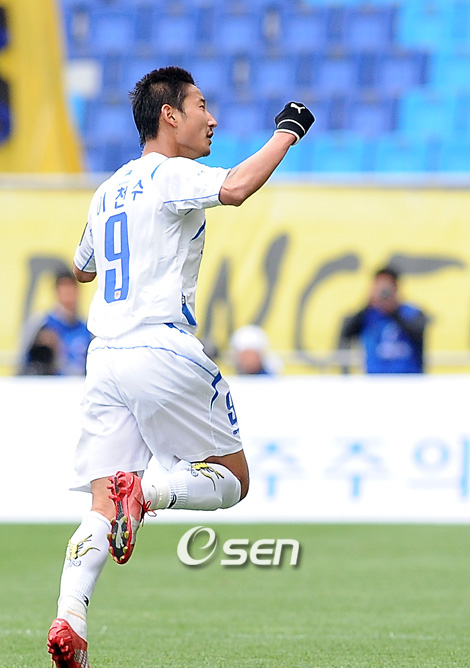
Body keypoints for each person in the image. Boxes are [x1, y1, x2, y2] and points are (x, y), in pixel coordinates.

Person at [47, 66, 314, 667]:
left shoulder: (108, 188)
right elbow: (237, 188)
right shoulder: (170, 173)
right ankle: (148, 490)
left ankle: (70, 620)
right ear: (170, 115)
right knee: (232, 480)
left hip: (104, 357)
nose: (211, 118)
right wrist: (288, 130)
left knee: (101, 503)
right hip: (159, 346)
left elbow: (82, 267)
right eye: (200, 105)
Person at [338, 266, 427, 374]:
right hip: (375, 379)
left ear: (396, 287)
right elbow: (346, 333)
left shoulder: (411, 312)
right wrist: (368, 303)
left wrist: (393, 309)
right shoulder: (367, 314)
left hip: (409, 379)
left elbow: (418, 332)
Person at [19, 271, 92, 376]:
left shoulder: (87, 327)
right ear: (56, 291)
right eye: (64, 288)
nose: (68, 293)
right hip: (50, 384)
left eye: (71, 288)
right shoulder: (41, 324)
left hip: (80, 384)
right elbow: (23, 361)